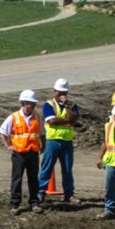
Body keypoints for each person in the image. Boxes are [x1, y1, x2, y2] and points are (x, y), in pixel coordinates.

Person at [0, 89, 46, 214]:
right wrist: (8, 146)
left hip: (33, 152)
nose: (33, 106)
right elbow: (3, 132)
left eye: (34, 103)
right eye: (31, 103)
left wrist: (43, 146)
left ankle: (34, 203)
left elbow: (42, 134)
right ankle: (15, 204)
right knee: (17, 179)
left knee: (33, 179)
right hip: (19, 154)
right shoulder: (13, 117)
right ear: (24, 103)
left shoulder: (37, 117)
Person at [40, 77, 81, 206]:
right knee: (46, 167)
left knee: (67, 169)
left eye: (64, 92)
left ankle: (69, 194)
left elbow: (74, 120)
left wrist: (68, 110)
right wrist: (68, 120)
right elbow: (51, 120)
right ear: (55, 91)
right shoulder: (49, 104)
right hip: (52, 141)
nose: (62, 95)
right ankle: (40, 192)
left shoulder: (72, 105)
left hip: (66, 141)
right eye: (59, 92)